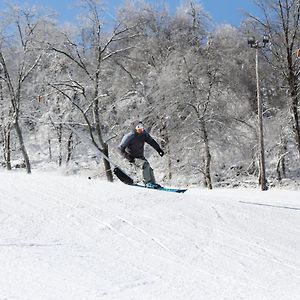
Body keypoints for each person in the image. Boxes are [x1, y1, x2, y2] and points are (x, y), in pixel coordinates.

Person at [117, 121, 164, 188]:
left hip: (140, 157)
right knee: (145, 164)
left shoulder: (144, 134)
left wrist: (158, 149)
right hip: (132, 157)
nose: (140, 129)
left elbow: (151, 141)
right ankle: (148, 183)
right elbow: (119, 149)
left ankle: (153, 183)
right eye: (138, 127)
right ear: (135, 128)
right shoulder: (129, 136)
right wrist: (128, 157)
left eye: (142, 127)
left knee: (149, 169)